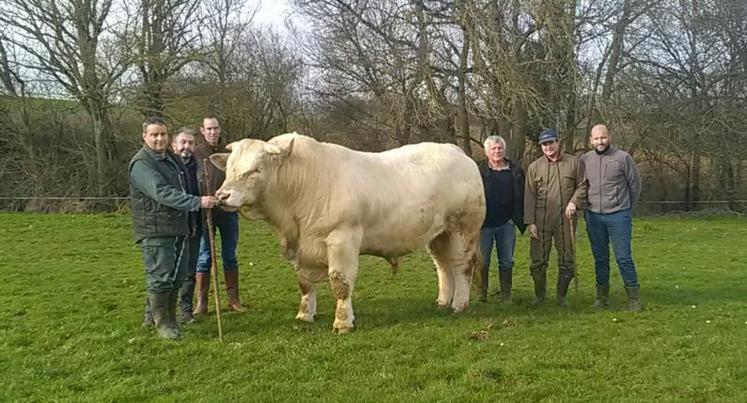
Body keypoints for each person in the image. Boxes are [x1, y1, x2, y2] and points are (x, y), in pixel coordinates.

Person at [129, 117, 217, 339]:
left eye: (163, 134)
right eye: (154, 135)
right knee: (160, 277)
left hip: (178, 227)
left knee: (176, 277)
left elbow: (187, 184)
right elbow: (161, 193)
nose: (159, 138)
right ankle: (162, 325)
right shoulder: (142, 164)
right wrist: (197, 202)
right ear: (145, 137)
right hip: (156, 230)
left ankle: (170, 319)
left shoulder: (170, 159)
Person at [580, 124, 642, 311]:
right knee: (600, 259)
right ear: (591, 140)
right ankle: (602, 297)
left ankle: (633, 298)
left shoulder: (623, 158)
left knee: (623, 257)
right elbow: (581, 187)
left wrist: (625, 208)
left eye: (603, 138)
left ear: (610, 138)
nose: (600, 141)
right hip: (594, 217)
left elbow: (635, 185)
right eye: (596, 138)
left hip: (618, 216)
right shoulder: (584, 160)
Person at [524, 129, 587, 306]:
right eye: (544, 144)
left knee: (567, 258)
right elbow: (529, 196)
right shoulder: (534, 167)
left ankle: (562, 297)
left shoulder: (574, 163)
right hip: (541, 220)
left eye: (551, 142)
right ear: (541, 146)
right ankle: (540, 296)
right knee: (538, 260)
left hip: (566, 220)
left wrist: (574, 202)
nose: (548, 146)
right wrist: (530, 222)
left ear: (558, 142)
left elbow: (583, 185)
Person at [193, 116, 246, 314]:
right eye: (209, 129)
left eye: (215, 128)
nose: (213, 132)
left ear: (220, 129)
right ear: (202, 130)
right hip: (206, 211)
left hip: (228, 211)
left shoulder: (230, 153)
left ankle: (234, 299)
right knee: (205, 256)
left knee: (229, 255)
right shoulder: (196, 154)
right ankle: (202, 302)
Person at [477, 135, 526, 303]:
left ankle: (506, 294)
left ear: (504, 150)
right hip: (484, 225)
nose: (497, 151)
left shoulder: (515, 171)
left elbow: (521, 195)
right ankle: (481, 293)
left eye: (500, 148)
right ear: (486, 152)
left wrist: (515, 218)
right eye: (493, 149)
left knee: (506, 261)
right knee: (482, 262)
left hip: (506, 224)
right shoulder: (479, 170)